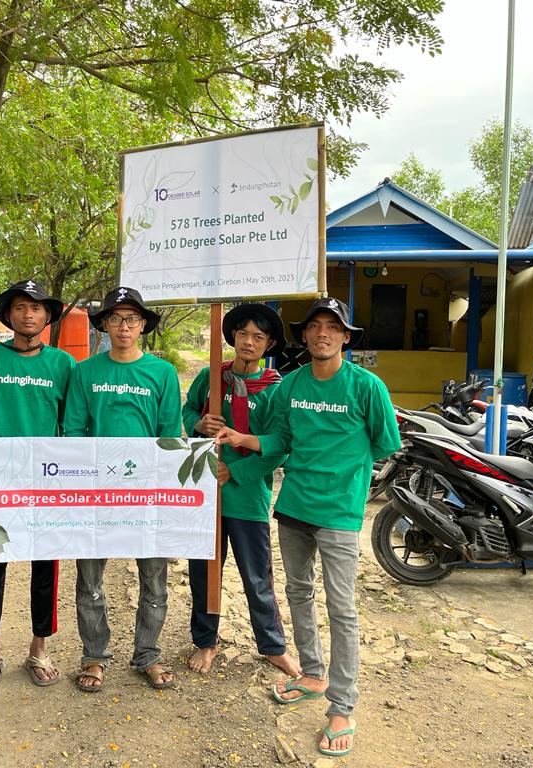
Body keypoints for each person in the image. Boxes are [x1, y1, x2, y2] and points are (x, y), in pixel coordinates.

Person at [217, 297, 400, 758]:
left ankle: (342, 707)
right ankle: (313, 674)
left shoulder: (367, 387)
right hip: (294, 506)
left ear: (345, 337)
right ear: (304, 336)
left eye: (332, 327)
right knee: (298, 592)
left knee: (342, 608)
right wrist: (243, 438)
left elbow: (383, 444)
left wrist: (346, 478)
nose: (322, 333)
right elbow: (280, 438)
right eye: (314, 326)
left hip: (338, 513)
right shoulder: (291, 384)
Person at [63, 286, 182, 692]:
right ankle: (94, 656)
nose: (124, 326)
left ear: (144, 325)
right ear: (104, 325)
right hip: (97, 491)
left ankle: (147, 653)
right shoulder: (85, 372)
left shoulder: (162, 373)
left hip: (147, 492)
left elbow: (170, 434)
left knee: (153, 577)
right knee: (90, 579)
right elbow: (75, 430)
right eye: (115, 319)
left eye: (132, 319)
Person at [0, 280, 74, 690]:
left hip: (46, 483)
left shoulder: (63, 365)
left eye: (37, 308)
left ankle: (39, 648)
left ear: (48, 316)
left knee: (46, 568)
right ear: (8, 315)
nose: (29, 315)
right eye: (20, 308)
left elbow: (71, 423)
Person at [182, 303, 299, 678]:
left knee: (256, 575)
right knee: (204, 571)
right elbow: (185, 411)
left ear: (269, 344)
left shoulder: (275, 390)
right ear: (232, 337)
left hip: (247, 497)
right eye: (243, 334)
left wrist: (234, 471)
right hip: (205, 496)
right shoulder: (210, 377)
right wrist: (199, 424)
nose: (249, 342)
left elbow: (279, 445)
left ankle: (272, 646)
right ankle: (206, 640)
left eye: (258, 337)